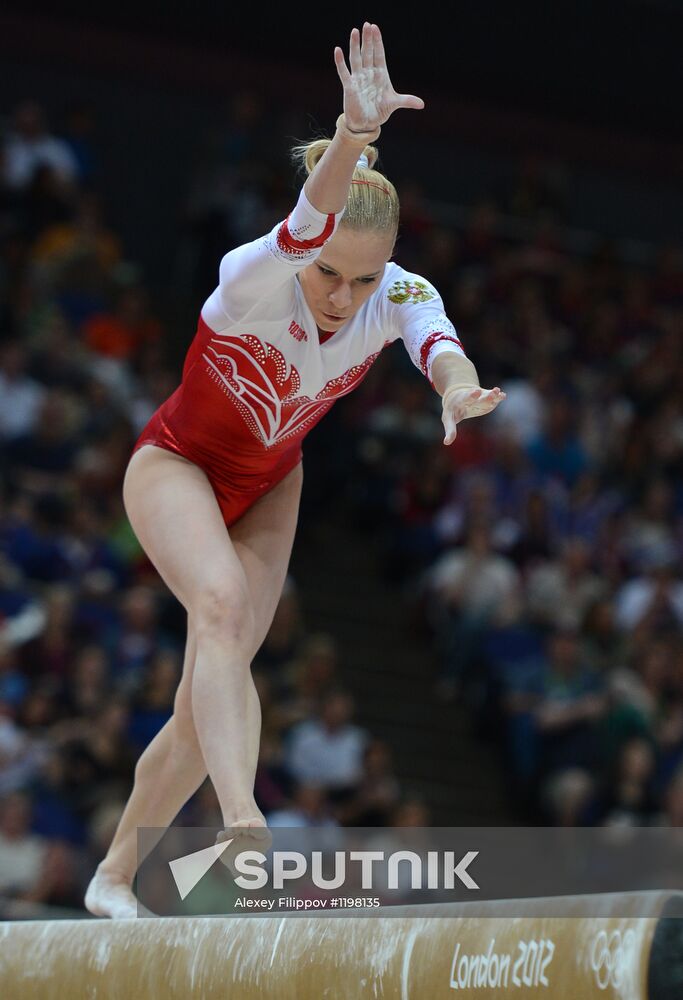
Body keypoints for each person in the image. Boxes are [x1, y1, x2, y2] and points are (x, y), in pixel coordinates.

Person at [85, 22, 505, 918]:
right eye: (332, 276)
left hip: (274, 482)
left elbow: (439, 342)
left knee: (207, 704)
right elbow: (307, 221)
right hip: (178, 463)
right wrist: (355, 138)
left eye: (367, 279)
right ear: (302, 250)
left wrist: (456, 392)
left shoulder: (391, 292)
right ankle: (243, 824)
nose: (346, 296)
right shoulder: (253, 277)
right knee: (222, 609)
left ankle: (115, 872)